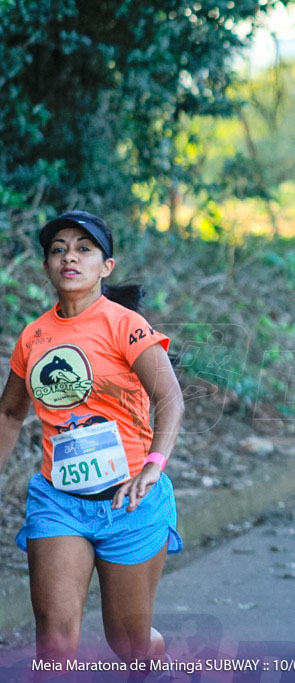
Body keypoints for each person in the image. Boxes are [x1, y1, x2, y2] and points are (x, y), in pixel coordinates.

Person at [0, 211, 184, 666]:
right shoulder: (34, 336)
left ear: (107, 267)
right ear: (46, 266)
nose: (69, 257)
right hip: (59, 501)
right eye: (58, 249)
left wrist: (153, 467)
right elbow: (8, 413)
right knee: (56, 643)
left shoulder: (126, 326)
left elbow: (171, 400)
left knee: (129, 645)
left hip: (130, 501)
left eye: (84, 248)